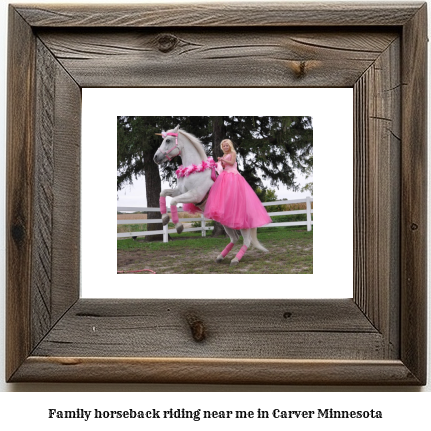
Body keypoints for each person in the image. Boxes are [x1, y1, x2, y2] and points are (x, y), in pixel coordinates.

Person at [204, 139, 272, 229]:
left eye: (227, 145)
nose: (225, 147)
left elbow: (232, 163)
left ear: (230, 146)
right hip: (225, 174)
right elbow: (225, 166)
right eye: (224, 146)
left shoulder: (233, 153)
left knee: (233, 192)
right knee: (222, 193)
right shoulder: (224, 155)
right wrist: (221, 163)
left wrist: (223, 159)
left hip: (233, 175)